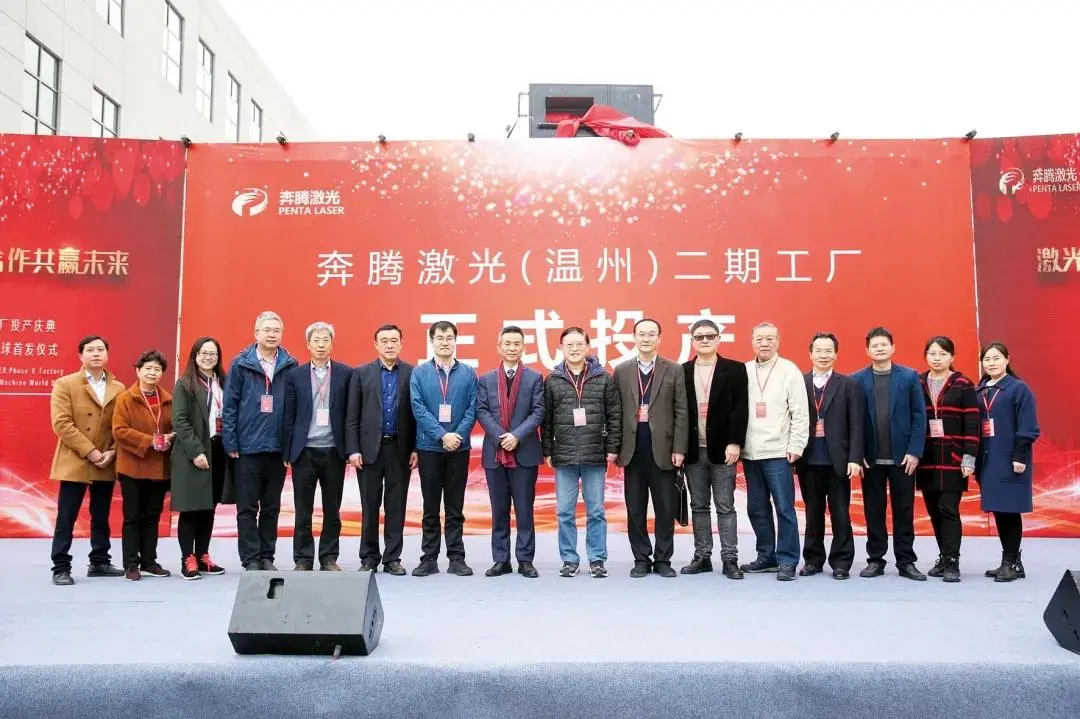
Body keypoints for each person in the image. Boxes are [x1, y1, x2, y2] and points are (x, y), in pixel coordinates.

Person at [541, 327, 621, 578]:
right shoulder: (552, 380)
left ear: (588, 347)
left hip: (594, 453)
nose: (574, 349)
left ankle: (597, 559)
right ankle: (569, 559)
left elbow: (614, 415)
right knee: (564, 511)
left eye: (579, 344)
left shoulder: (603, 378)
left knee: (596, 511)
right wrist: (548, 449)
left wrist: (612, 448)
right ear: (561, 349)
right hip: (563, 455)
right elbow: (546, 419)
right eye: (569, 345)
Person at [222, 311, 298, 571]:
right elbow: (229, 405)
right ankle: (251, 558)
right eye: (267, 330)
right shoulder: (241, 364)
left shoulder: (290, 365)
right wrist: (230, 442)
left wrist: (290, 446)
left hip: (277, 448)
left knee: (271, 508)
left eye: (276, 330)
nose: (271, 334)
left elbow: (294, 409)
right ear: (256, 333)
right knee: (247, 508)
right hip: (247, 448)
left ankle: (267, 556)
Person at [48, 335, 126, 585]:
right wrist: (90, 451)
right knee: (67, 516)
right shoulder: (65, 384)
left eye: (100, 349)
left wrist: (112, 452)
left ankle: (100, 561)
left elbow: (122, 425)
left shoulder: (119, 388)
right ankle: (61, 567)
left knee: (101, 515)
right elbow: (61, 423)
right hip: (76, 458)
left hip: (105, 459)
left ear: (107, 355)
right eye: (90, 350)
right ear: (80, 356)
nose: (96, 354)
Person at [614, 318, 689, 579]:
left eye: (651, 334)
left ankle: (663, 559)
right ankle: (641, 559)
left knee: (665, 509)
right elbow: (616, 412)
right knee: (635, 509)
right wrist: (615, 447)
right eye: (641, 334)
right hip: (632, 450)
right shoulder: (622, 370)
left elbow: (682, 412)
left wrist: (679, 448)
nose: (646, 339)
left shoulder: (674, 369)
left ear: (659, 338)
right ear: (634, 338)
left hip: (664, 451)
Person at [852, 327, 928, 581]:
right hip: (870, 459)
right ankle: (875, 559)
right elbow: (855, 420)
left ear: (892, 348)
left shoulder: (909, 377)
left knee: (904, 511)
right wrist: (858, 453)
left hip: (903, 459)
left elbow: (919, 416)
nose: (880, 349)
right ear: (867, 350)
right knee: (873, 511)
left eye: (884, 344)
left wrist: (914, 452)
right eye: (874, 346)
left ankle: (906, 561)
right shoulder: (857, 380)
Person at [345, 324, 417, 576]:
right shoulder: (361, 373)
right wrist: (353, 450)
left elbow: (417, 415)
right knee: (370, 505)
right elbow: (352, 416)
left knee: (396, 506)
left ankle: (392, 558)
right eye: (384, 340)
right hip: (368, 451)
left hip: (399, 449)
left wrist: (416, 448)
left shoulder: (412, 373)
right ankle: (369, 557)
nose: (389, 345)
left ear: (401, 343)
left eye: (394, 340)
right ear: (376, 344)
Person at [740, 322, 809, 581]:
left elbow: (800, 413)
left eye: (769, 339)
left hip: (779, 452)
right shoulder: (745, 370)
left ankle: (788, 560)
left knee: (784, 509)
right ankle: (766, 557)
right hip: (751, 452)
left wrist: (796, 446)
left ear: (778, 341)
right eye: (759, 339)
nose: (764, 343)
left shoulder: (789, 370)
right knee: (757, 508)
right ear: (752, 341)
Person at [409, 320, 478, 577]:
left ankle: (456, 558)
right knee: (430, 507)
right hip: (429, 448)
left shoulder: (468, 373)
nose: (445, 342)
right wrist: (441, 435)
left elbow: (473, 408)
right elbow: (418, 408)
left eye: (449, 337)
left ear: (455, 340)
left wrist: (456, 436)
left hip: (458, 448)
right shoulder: (419, 373)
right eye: (440, 338)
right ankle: (429, 558)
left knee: (454, 507)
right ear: (431, 341)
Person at [680, 319, 748, 579]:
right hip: (693, 450)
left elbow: (741, 409)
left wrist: (735, 442)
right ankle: (702, 556)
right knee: (699, 506)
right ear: (692, 341)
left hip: (723, 450)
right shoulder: (683, 371)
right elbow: (679, 412)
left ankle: (730, 559)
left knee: (725, 506)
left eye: (710, 336)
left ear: (719, 339)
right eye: (700, 337)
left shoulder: (734, 369)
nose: (705, 340)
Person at [475, 326, 545, 578]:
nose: (512, 348)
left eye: (517, 344)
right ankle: (501, 560)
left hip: (524, 451)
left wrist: (516, 436)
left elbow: (538, 411)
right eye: (507, 343)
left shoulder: (534, 378)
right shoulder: (485, 379)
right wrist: (501, 437)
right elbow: (482, 411)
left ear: (523, 347)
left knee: (524, 510)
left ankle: (525, 560)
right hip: (495, 454)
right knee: (499, 510)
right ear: (499, 347)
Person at [283, 322, 352, 572]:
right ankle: (303, 558)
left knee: (332, 509)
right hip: (304, 452)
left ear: (332, 344)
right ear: (308, 344)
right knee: (303, 510)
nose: (321, 345)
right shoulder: (295, 375)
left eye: (325, 340)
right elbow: (288, 415)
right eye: (316, 340)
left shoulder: (346, 374)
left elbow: (350, 415)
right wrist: (287, 451)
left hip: (334, 451)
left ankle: (328, 558)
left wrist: (350, 448)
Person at [795, 333, 864, 580]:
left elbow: (857, 425)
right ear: (810, 354)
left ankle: (841, 562)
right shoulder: (799, 383)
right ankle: (812, 560)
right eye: (819, 351)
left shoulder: (848, 385)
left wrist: (855, 458)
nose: (823, 355)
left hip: (839, 461)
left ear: (836, 354)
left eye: (828, 351)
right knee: (812, 513)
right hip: (808, 459)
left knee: (841, 514)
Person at [976, 342, 1039, 583]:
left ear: (1007, 359)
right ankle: (1012, 561)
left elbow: (1028, 426)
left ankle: (1010, 563)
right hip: (988, 458)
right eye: (987, 359)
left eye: (996, 358)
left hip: (1010, 458)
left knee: (1009, 509)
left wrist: (1019, 456)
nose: (991, 363)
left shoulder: (1018, 388)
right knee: (999, 510)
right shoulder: (980, 390)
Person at [917, 336, 979, 583]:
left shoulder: (963, 384)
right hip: (927, 458)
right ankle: (943, 557)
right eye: (932, 353)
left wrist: (969, 457)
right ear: (926, 356)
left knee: (948, 508)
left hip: (953, 458)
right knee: (934, 510)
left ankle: (953, 561)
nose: (937, 358)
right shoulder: (918, 382)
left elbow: (972, 423)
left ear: (952, 357)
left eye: (943, 354)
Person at [170, 336, 233, 580]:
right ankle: (188, 558)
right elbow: (180, 421)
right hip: (193, 452)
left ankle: (203, 555)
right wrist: (196, 451)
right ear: (195, 356)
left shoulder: (224, 382)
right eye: (203, 353)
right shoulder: (185, 383)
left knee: (209, 506)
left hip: (218, 450)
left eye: (213, 353)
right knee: (191, 507)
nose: (208, 357)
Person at [112, 350, 175, 581]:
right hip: (132, 467)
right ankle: (131, 564)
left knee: (152, 517)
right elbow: (119, 431)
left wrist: (171, 437)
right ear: (138, 371)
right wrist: (150, 441)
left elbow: (175, 427)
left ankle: (149, 561)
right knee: (132, 517)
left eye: (157, 369)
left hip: (158, 468)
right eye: (148, 368)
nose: (152, 373)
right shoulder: (125, 399)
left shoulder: (168, 400)